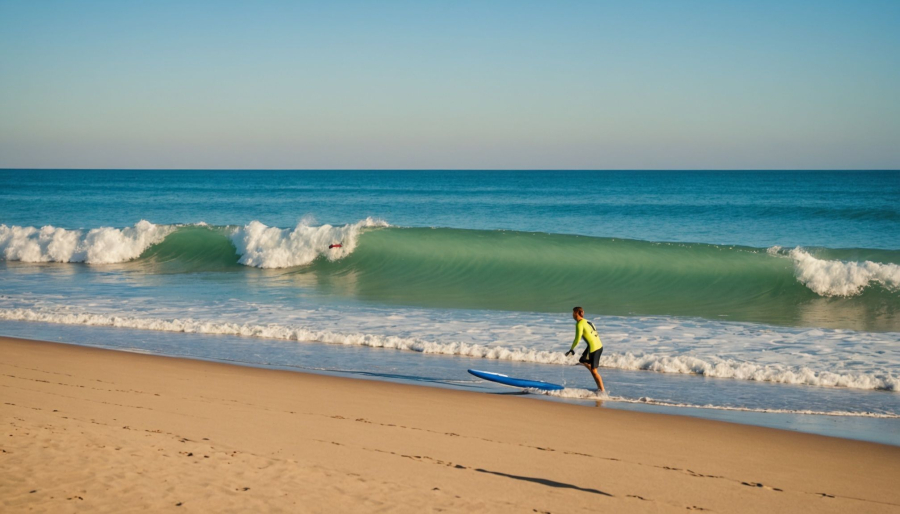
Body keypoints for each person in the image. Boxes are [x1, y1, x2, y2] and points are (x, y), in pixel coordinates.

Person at [565, 307, 605, 391]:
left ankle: (602, 391)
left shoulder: (579, 324)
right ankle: (599, 388)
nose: (572, 315)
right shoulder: (588, 321)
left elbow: (577, 339)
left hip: (594, 347)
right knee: (583, 360)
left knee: (593, 371)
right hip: (599, 346)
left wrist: (571, 349)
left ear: (576, 313)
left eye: (573, 313)